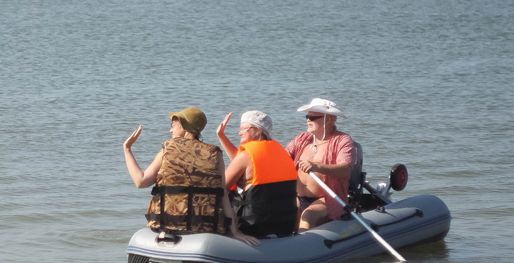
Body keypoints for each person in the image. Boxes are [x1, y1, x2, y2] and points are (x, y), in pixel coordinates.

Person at [124, 107, 256, 246]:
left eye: (173, 125)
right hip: (207, 227)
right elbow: (222, 194)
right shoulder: (215, 153)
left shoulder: (168, 149)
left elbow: (141, 182)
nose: (171, 130)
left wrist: (127, 149)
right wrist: (235, 232)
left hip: (167, 225)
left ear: (185, 127)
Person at [215, 110, 298, 238]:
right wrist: (221, 136)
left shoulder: (246, 157)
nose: (239, 132)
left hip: (255, 226)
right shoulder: (280, 152)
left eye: (244, 128)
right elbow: (245, 163)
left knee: (217, 195)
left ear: (258, 130)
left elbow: (221, 189)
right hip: (285, 225)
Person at [284, 98, 355, 232]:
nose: (308, 120)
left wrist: (317, 167)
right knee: (282, 210)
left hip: (326, 199)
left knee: (308, 215)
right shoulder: (301, 139)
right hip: (297, 196)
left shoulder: (342, 141)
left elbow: (346, 170)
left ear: (328, 119)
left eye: (312, 117)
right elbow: (282, 159)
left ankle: (302, 248)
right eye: (307, 116)